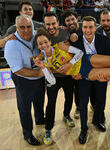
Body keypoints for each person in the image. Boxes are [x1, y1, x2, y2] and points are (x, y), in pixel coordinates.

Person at [70, 16, 110, 144]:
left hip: (99, 75)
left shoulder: (104, 40)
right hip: (83, 77)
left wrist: (106, 74)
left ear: (95, 27)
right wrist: (74, 73)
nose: (88, 30)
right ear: (81, 27)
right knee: (82, 103)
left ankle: (97, 120)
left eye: (90, 27)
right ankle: (83, 129)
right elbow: (69, 59)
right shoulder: (75, 41)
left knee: (101, 100)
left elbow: (109, 57)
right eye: (85, 27)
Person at [4, 15, 45, 146]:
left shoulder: (37, 35)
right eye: (22, 27)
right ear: (16, 28)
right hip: (23, 79)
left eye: (29, 27)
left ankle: (39, 118)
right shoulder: (11, 45)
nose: (26, 30)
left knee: (39, 99)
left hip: (39, 77)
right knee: (24, 107)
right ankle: (27, 133)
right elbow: (19, 70)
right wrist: (41, 72)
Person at [42, 12, 76, 142]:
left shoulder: (65, 32)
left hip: (67, 74)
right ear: (44, 25)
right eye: (48, 24)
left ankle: (66, 115)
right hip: (52, 76)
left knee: (69, 97)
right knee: (51, 103)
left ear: (58, 24)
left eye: (53, 23)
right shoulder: (41, 36)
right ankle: (48, 129)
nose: (51, 26)